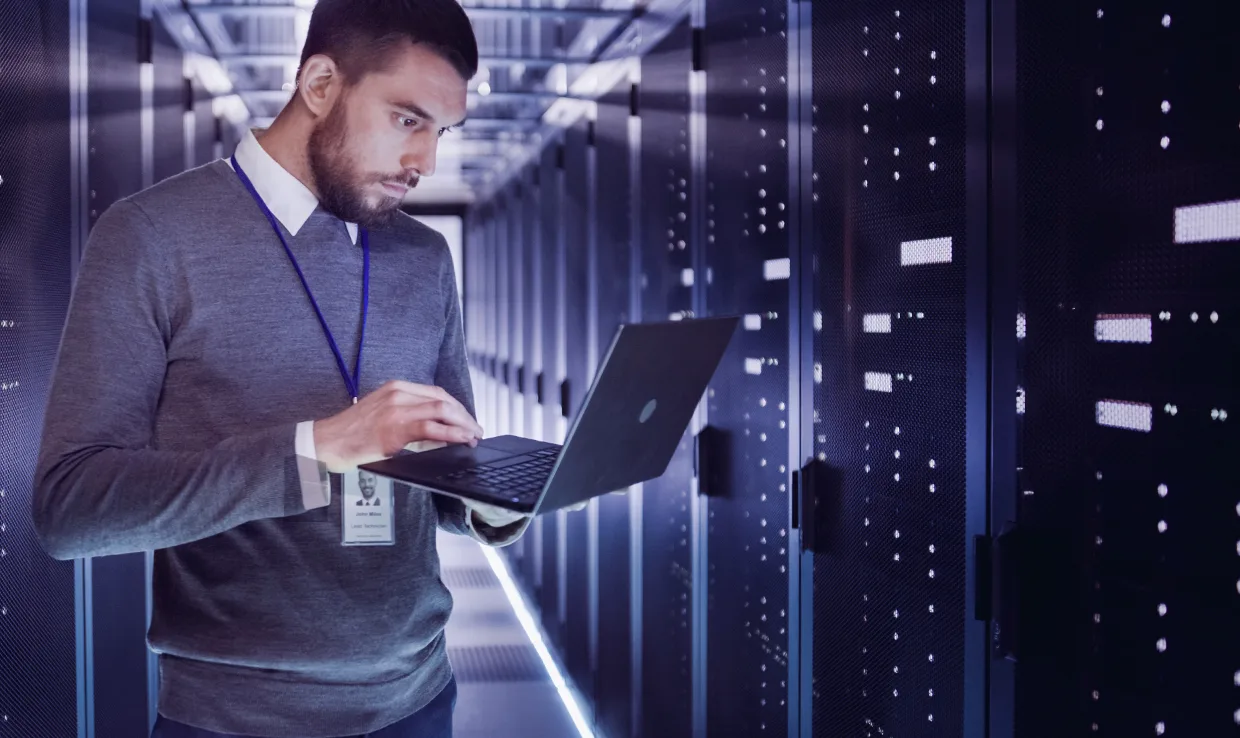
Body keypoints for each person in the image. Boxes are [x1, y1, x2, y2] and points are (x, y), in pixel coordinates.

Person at [32, 1, 537, 736]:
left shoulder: (425, 259)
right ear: (321, 84)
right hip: (234, 718)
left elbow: (443, 477)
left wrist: (496, 500)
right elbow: (70, 509)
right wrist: (317, 448)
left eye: (441, 131)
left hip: (420, 699)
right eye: (407, 119)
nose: (426, 161)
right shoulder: (151, 238)